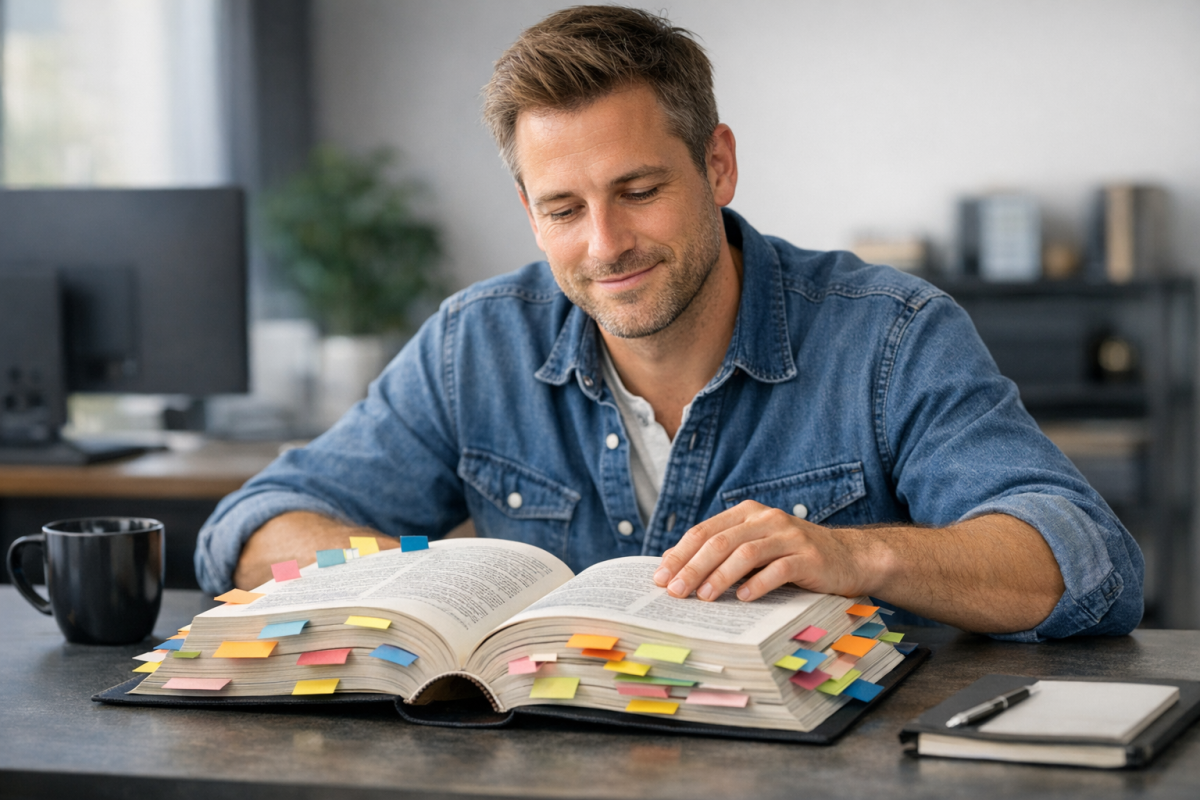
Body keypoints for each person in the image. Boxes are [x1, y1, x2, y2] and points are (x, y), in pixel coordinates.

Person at [196, 6, 1142, 640]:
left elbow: (1082, 557)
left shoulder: (890, 334)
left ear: (717, 166)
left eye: (638, 191)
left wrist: (855, 553)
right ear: (529, 210)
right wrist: (390, 575)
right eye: (564, 210)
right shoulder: (472, 344)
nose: (606, 244)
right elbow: (250, 526)